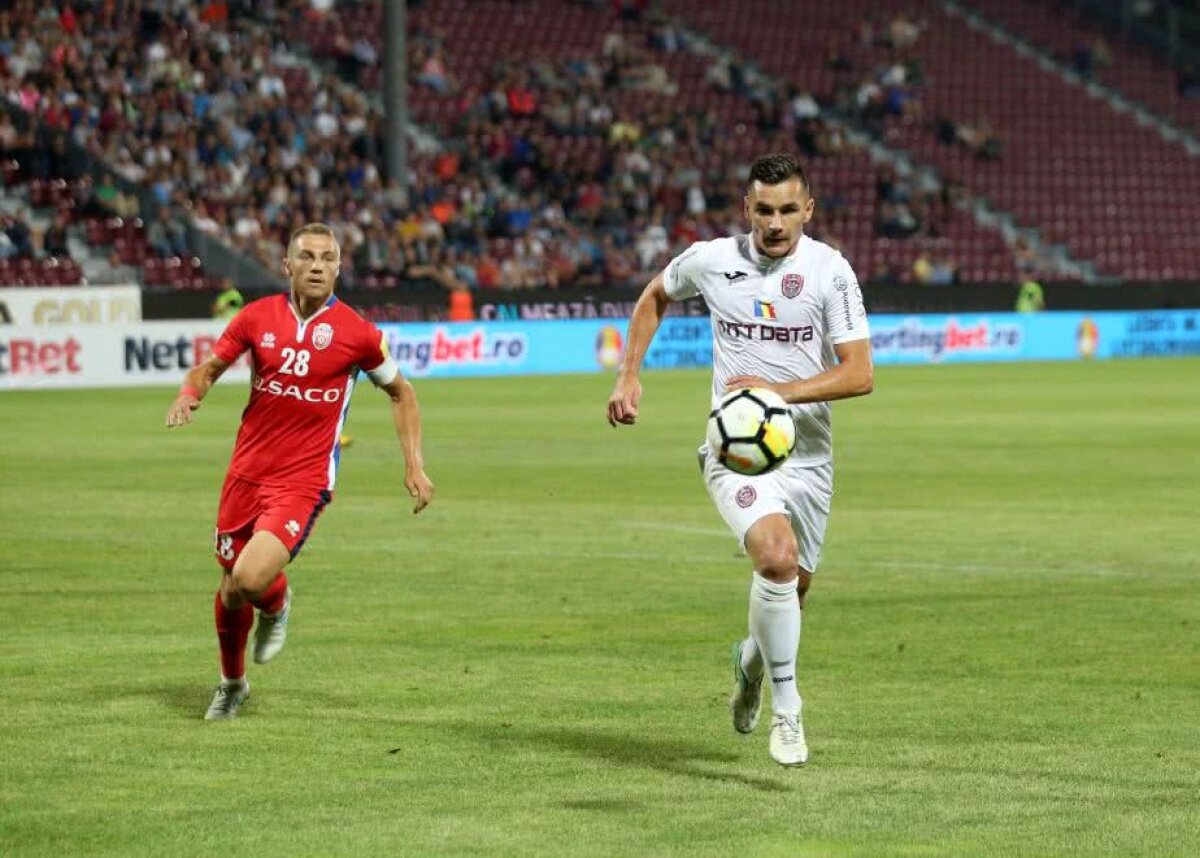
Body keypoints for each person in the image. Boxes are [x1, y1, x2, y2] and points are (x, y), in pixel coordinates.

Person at [606, 153, 874, 767]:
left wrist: (778, 392)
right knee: (775, 559)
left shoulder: (830, 272)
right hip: (735, 450)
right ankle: (789, 712)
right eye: (764, 210)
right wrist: (629, 376)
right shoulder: (712, 261)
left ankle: (751, 666)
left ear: (808, 209)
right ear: (745, 208)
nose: (775, 223)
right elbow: (655, 294)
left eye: (787, 210)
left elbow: (859, 375)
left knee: (791, 591)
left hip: (807, 455)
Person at [166, 223, 435, 721]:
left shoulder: (358, 334)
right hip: (245, 474)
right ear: (287, 265)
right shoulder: (256, 318)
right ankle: (232, 684)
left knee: (248, 577)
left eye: (327, 258)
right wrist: (189, 395)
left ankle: (278, 600)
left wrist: (414, 465)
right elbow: (208, 369)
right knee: (230, 588)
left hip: (303, 482)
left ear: (338, 267)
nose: (317, 265)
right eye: (307, 256)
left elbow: (404, 393)